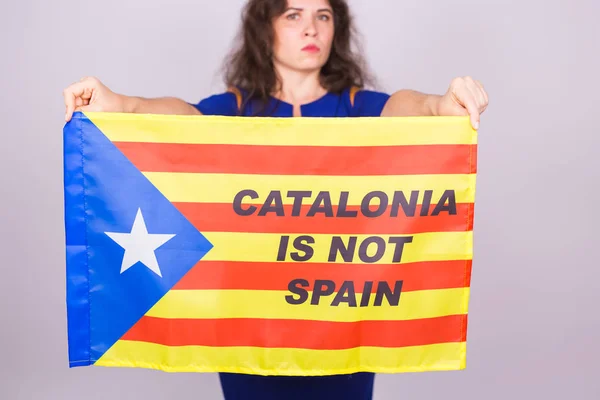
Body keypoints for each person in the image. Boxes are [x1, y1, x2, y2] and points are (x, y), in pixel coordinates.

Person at [62, 0, 489, 398]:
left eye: (323, 16)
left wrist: (440, 105)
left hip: (342, 324)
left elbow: (403, 107)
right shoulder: (235, 109)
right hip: (251, 333)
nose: (311, 28)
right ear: (263, 31)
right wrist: (121, 104)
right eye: (293, 15)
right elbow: (184, 116)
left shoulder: (358, 106)